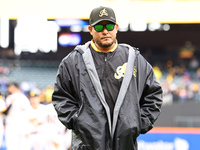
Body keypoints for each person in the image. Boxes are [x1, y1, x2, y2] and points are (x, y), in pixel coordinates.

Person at [52, 6, 163, 150]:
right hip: (87, 144)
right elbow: (61, 97)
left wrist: (137, 124)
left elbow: (153, 94)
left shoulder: (134, 59)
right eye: (99, 27)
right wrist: (79, 121)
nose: (105, 31)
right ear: (91, 30)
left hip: (125, 144)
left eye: (109, 26)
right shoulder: (73, 61)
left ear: (116, 27)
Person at [4, 81, 32, 150]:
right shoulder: (24, 98)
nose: (8, 88)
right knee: (21, 146)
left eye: (9, 87)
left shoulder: (10, 98)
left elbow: (5, 112)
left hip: (13, 124)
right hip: (20, 124)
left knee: (12, 146)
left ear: (13, 87)